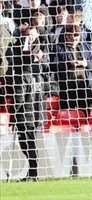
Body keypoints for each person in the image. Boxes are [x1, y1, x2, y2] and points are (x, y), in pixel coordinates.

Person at [5, 26, 46, 181]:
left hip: (26, 115)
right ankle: (32, 173)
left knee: (27, 142)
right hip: (37, 112)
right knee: (30, 142)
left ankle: (33, 173)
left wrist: (14, 115)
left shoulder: (23, 75)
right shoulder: (38, 77)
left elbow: (19, 97)